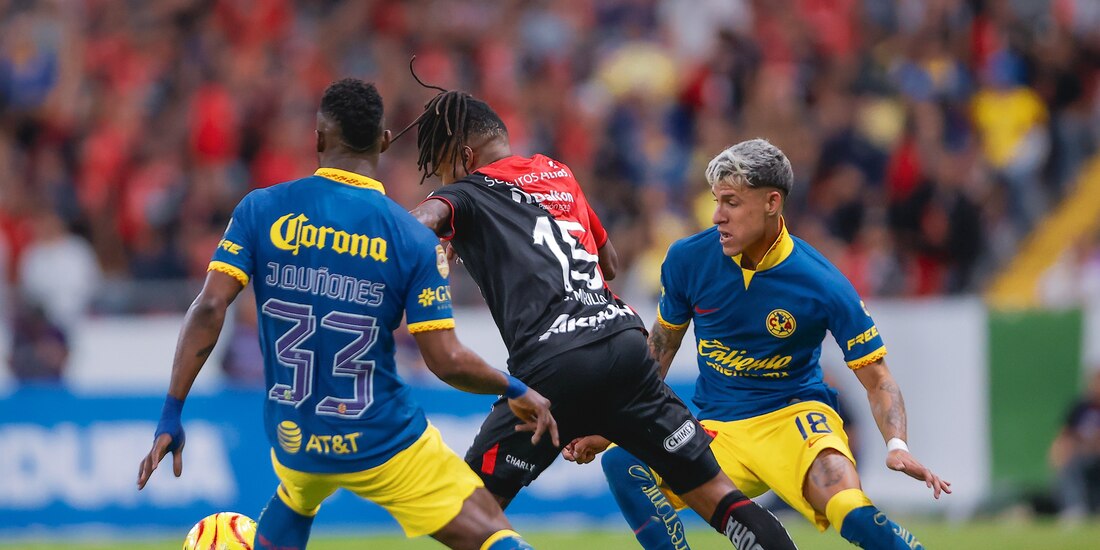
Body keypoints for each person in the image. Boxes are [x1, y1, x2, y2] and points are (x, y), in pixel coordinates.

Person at [135, 78, 557, 550]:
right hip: (382, 436)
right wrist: (516, 387)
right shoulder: (413, 237)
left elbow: (210, 306)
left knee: (297, 495)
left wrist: (171, 412)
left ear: (317, 139)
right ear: (382, 142)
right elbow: (446, 360)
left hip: (296, 436)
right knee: (491, 534)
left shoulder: (260, 209)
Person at [409, 90, 796, 549]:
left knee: (467, 514)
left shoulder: (463, 192)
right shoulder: (556, 173)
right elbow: (608, 262)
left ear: (465, 155)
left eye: (442, 166)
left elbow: (417, 222)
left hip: (554, 367)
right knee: (718, 496)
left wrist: (424, 238)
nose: (443, 177)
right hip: (625, 346)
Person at [569, 139, 952, 549]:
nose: (717, 216)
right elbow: (658, 354)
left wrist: (897, 446)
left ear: (772, 202)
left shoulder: (821, 282)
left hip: (795, 422)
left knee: (849, 510)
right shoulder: (687, 259)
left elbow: (878, 380)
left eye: (731, 202)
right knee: (623, 462)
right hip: (720, 432)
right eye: (716, 201)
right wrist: (614, 429)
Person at [1050, 369, 1100, 519]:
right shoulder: (1080, 407)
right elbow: (1064, 435)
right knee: (1071, 467)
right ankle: (1075, 508)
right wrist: (1058, 454)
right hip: (1082, 457)